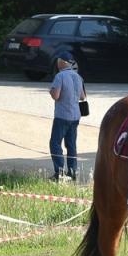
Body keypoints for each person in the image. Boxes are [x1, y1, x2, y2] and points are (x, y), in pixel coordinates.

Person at [48, 50, 85, 182]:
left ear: (62, 62)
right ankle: (72, 172)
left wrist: (51, 91)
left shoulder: (60, 76)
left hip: (62, 115)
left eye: (58, 61)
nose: (57, 63)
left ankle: (59, 172)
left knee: (55, 143)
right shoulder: (78, 77)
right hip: (75, 116)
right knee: (71, 144)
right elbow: (82, 97)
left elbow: (56, 96)